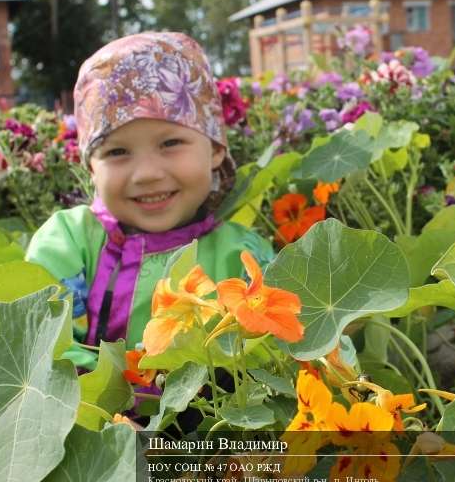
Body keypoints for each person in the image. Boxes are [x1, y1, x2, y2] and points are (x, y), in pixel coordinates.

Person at [26, 32, 275, 349]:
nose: (146, 174)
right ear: (91, 167)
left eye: (170, 143)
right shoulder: (67, 243)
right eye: (117, 152)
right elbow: (43, 348)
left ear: (215, 148)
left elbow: (277, 345)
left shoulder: (244, 257)